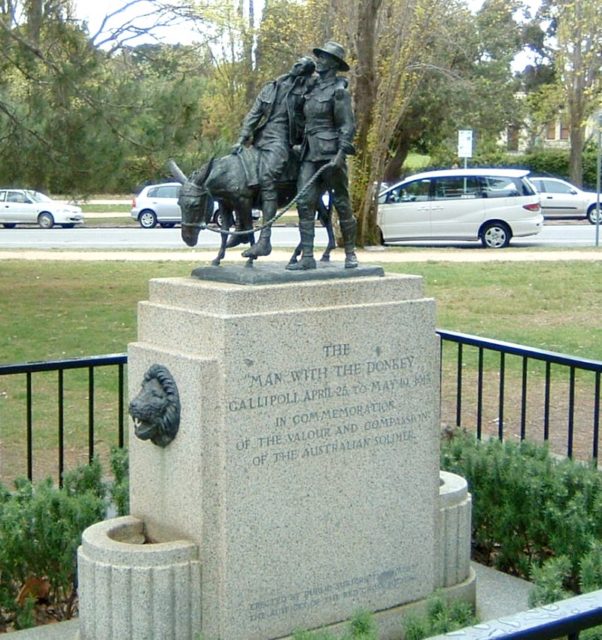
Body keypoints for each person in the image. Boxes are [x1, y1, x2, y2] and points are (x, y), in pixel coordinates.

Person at [231, 56, 316, 258]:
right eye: (297, 62)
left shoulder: (306, 90)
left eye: (302, 65)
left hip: (282, 140)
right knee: (237, 177)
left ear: (306, 72)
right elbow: (254, 113)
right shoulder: (273, 86)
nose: (297, 65)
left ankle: (265, 241)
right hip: (261, 138)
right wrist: (242, 139)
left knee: (267, 179)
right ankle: (242, 229)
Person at [286, 41, 358, 270]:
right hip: (309, 153)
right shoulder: (311, 89)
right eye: (320, 56)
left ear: (335, 64)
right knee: (305, 203)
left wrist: (340, 155)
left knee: (341, 203)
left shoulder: (339, 91)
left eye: (324, 57)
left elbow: (347, 126)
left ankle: (350, 254)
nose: (319, 60)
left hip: (330, 154)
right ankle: (308, 256)